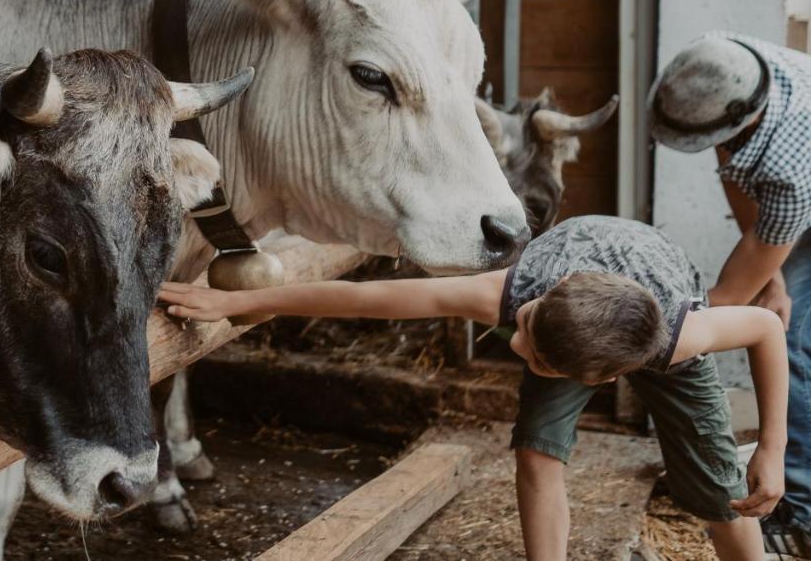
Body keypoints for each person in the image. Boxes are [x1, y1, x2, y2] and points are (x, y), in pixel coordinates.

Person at [160, 215, 787, 561]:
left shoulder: (687, 336)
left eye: (531, 353)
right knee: (538, 451)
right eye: (526, 328)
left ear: (598, 381)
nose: (513, 344)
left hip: (646, 305)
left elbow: (765, 329)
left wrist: (771, 447)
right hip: (586, 297)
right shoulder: (512, 296)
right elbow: (361, 299)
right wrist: (239, 298)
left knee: (717, 492)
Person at [650, 32, 811, 557]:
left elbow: (720, 309)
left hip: (801, 187)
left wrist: (647, 339)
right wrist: (773, 277)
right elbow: (736, 171)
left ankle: (798, 513)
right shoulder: (729, 63)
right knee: (774, 301)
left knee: (793, 343)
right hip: (789, 199)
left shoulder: (788, 172)